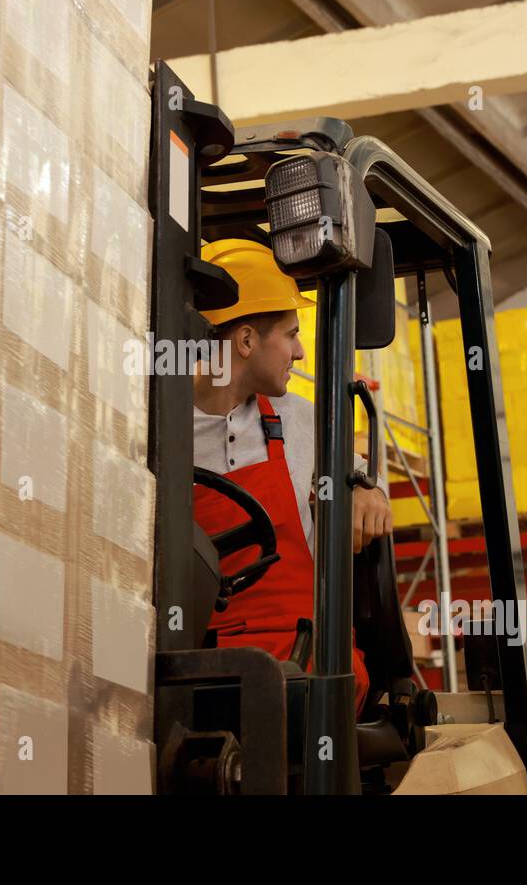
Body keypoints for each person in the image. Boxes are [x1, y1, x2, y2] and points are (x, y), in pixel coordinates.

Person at [192, 238, 393, 714]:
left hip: (309, 661)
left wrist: (369, 492)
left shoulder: (305, 421)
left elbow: (369, 490)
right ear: (245, 341)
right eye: (291, 334)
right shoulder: (154, 424)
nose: (301, 352)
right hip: (200, 662)